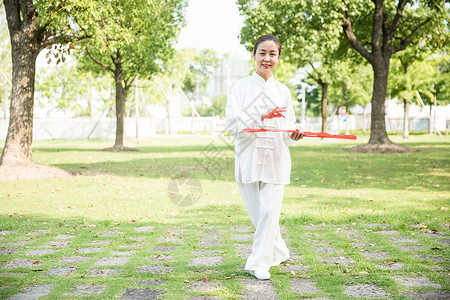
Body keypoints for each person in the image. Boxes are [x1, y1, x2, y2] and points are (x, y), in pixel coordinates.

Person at [225, 35, 303, 280]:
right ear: (254, 56)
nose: (267, 58)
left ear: (278, 58)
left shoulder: (283, 91)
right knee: (259, 217)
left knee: (269, 212)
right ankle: (278, 250)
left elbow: (288, 127)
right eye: (262, 53)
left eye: (272, 54)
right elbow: (232, 123)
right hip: (248, 158)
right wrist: (260, 117)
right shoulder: (240, 88)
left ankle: (258, 263)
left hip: (276, 158)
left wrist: (294, 133)